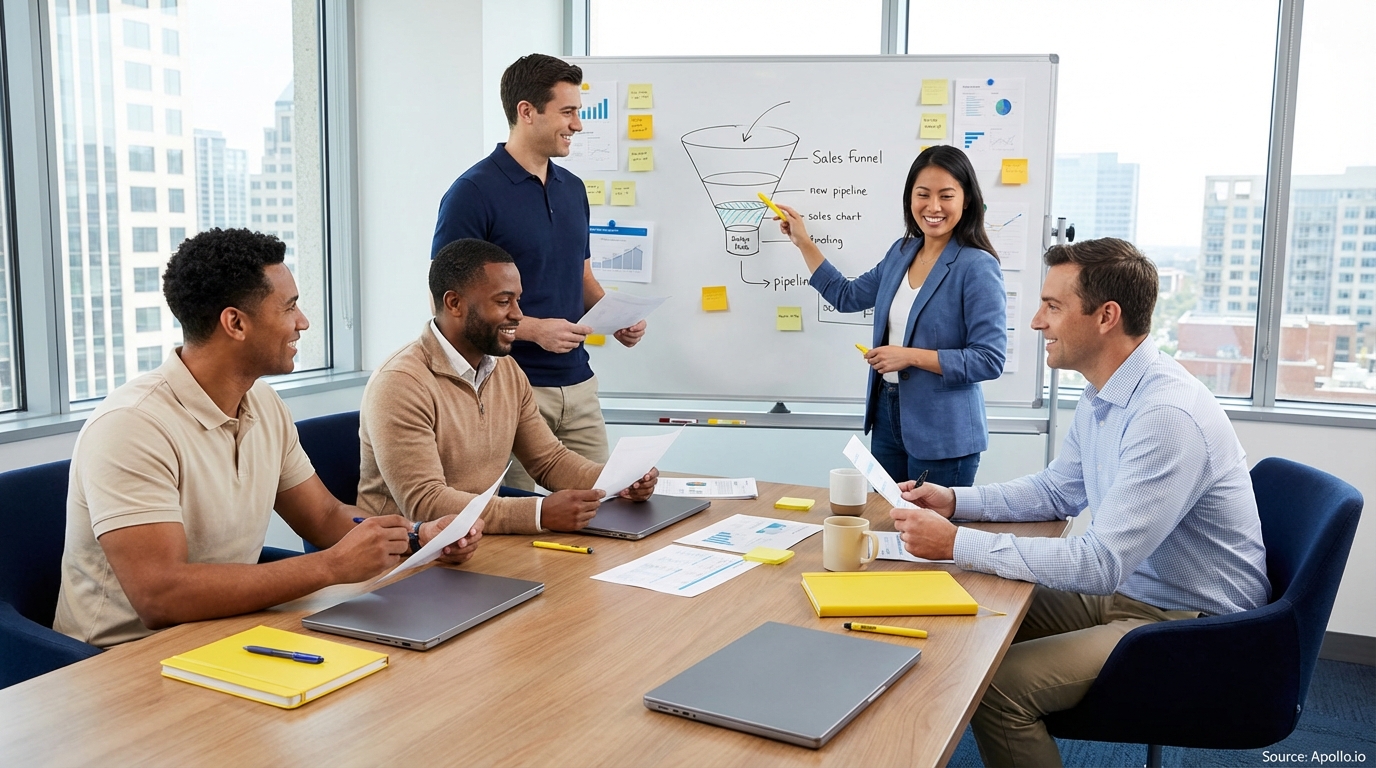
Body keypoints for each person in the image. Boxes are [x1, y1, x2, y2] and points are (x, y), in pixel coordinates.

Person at [892, 237, 1270, 767]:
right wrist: (956, 501)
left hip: (1192, 625)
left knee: (997, 689)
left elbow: (1098, 563)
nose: (1035, 323)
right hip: (1135, 590)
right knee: (965, 599)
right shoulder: (1105, 393)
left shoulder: (1165, 415)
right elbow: (1056, 490)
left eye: (1052, 307)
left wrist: (957, 542)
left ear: (1105, 316)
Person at [54, 229, 481, 649]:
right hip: (121, 659)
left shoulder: (262, 403)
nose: (303, 322)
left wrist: (417, 536)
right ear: (235, 323)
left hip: (221, 633)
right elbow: (161, 595)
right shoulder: (131, 426)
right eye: (290, 307)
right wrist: (330, 566)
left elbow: (326, 517)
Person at [430, 53, 646, 492]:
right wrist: (532, 330)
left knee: (606, 506)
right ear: (526, 112)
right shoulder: (472, 193)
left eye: (578, 113)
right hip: (509, 388)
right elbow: (447, 303)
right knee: (519, 529)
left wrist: (612, 313)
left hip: (578, 384)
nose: (578, 125)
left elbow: (579, 275)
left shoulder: (573, 190)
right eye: (567, 113)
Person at [358, 238, 657, 533]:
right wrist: (539, 513)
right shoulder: (400, 383)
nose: (517, 314)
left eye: (517, 300)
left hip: (474, 538)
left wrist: (618, 480)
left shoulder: (506, 370)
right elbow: (425, 502)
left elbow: (549, 461)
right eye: (503, 302)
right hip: (406, 552)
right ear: (454, 303)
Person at [775, 145, 1006, 487]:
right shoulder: (901, 253)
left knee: (928, 535)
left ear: (967, 200)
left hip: (944, 433)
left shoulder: (977, 266)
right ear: (909, 198)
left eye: (946, 196)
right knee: (885, 527)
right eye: (922, 194)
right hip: (887, 415)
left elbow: (988, 360)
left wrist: (908, 356)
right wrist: (803, 242)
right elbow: (845, 296)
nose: (933, 207)